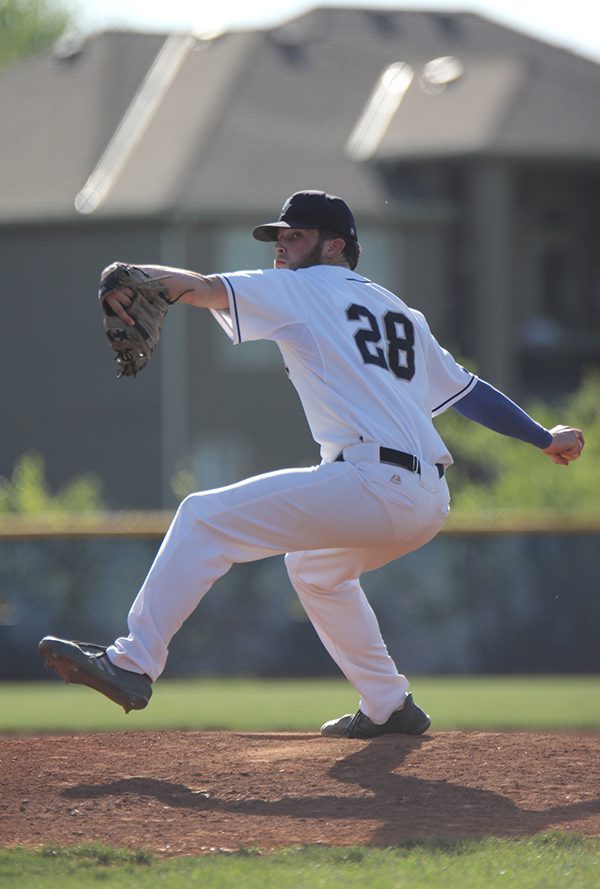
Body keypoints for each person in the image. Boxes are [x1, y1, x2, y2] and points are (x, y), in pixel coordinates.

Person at [39, 190, 584, 738]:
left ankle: (132, 664)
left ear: (335, 246)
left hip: (373, 483)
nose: (280, 247)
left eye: (294, 236)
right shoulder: (401, 312)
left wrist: (128, 274)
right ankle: (388, 704)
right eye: (278, 237)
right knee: (315, 570)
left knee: (203, 517)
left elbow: (202, 289)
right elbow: (468, 393)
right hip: (424, 498)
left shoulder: (302, 288)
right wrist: (543, 438)